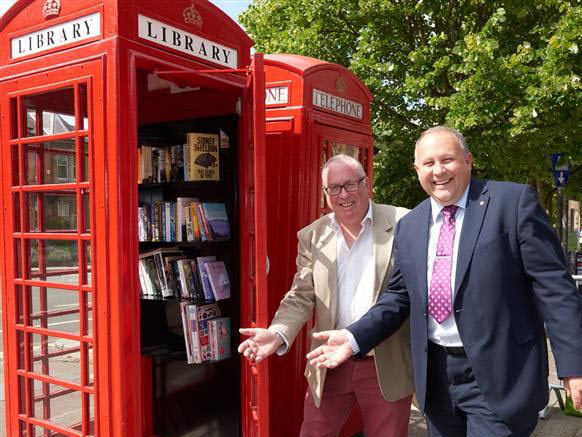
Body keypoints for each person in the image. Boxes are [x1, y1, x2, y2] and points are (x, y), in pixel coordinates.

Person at [307, 126, 582, 437]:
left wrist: (574, 366)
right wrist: (354, 337)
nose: (438, 171)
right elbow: (399, 296)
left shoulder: (512, 202)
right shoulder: (410, 224)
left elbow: (555, 288)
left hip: (501, 373)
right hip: (437, 379)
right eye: (428, 163)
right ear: (417, 170)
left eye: (447, 159)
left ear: (468, 160)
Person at [238, 154, 413, 437]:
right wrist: (278, 332)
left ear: (367, 184)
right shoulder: (312, 235)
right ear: (326, 193)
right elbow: (301, 294)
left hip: (384, 363)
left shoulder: (403, 222)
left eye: (350, 185)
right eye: (334, 188)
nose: (343, 194)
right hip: (330, 362)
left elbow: (409, 293)